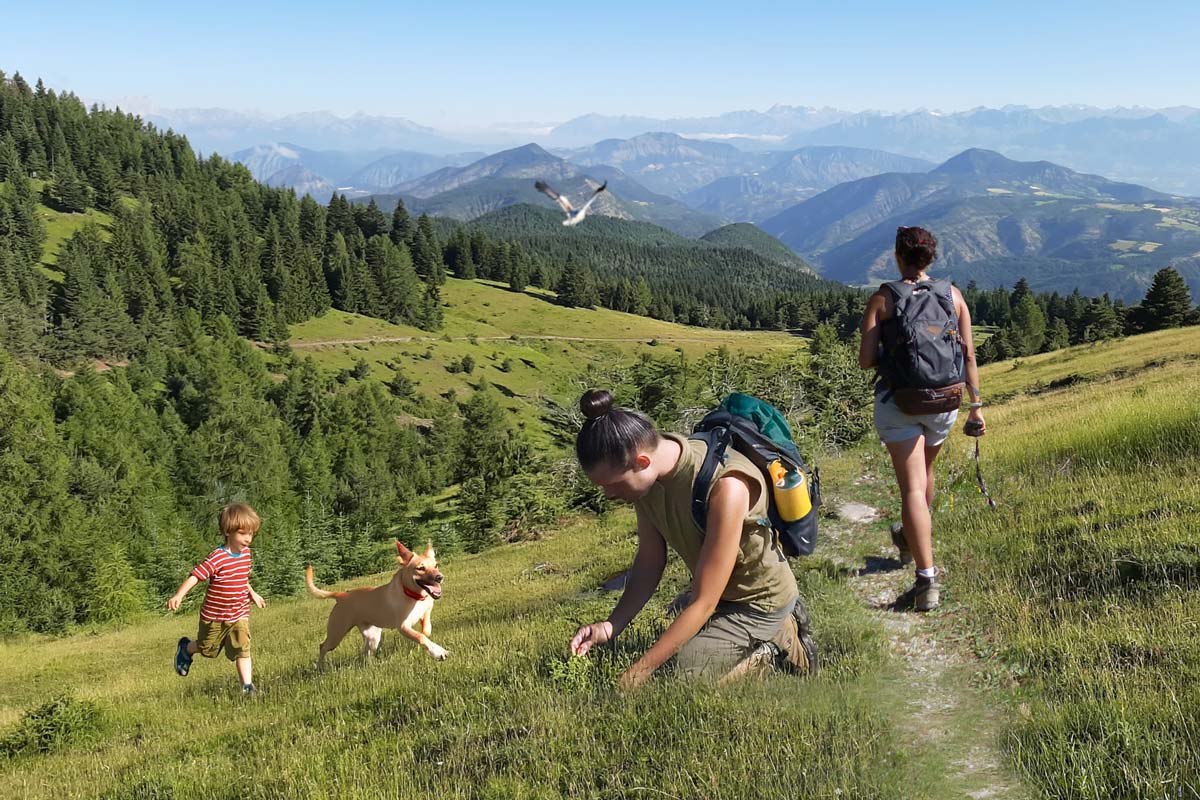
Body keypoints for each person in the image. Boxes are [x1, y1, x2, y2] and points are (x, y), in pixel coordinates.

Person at [568, 389, 817, 689]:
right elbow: (649, 562)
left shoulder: (726, 487)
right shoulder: (648, 482)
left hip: (759, 602)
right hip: (721, 596)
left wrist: (639, 672)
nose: (608, 495)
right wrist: (610, 626)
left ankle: (780, 640)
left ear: (642, 461)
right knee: (679, 638)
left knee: (684, 677)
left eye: (611, 485)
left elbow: (704, 601)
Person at [858, 226, 986, 612]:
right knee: (925, 474)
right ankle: (913, 539)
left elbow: (865, 361)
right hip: (946, 401)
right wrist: (976, 405)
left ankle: (925, 579)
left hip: (902, 403)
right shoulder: (953, 296)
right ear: (931, 258)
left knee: (912, 489)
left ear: (898, 256)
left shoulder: (883, 298)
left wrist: (894, 356)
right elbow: (968, 356)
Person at [168, 502, 266, 694]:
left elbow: (242, 578)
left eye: (251, 534)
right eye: (243, 533)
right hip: (214, 616)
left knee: (242, 648)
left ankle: (247, 686)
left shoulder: (246, 554)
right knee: (207, 649)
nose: (248, 539)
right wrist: (179, 595)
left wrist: (252, 593)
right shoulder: (217, 558)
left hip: (239, 613)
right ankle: (186, 648)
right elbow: (196, 576)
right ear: (228, 532)